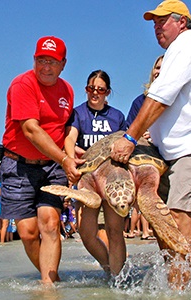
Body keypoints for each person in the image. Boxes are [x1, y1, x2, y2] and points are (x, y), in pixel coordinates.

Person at [109, 0, 191, 288]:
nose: (157, 27)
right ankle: (173, 278)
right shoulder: (179, 50)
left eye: (163, 21)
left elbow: (160, 98)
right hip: (174, 150)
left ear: (182, 22)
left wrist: (129, 138)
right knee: (161, 217)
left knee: (177, 215)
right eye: (154, 23)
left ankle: (180, 289)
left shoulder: (186, 48)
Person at [0, 36, 82, 284]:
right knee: (27, 233)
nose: (46, 67)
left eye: (52, 61)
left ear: (64, 64)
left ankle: (48, 287)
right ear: (34, 60)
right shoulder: (22, 84)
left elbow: (64, 128)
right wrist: (65, 159)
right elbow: (31, 130)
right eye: (41, 60)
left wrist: (71, 151)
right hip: (18, 165)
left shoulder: (67, 89)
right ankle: (51, 278)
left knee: (50, 223)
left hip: (52, 166)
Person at [64, 70, 126, 275]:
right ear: (86, 89)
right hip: (87, 179)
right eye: (91, 88)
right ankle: (108, 266)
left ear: (107, 92)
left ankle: (117, 279)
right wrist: (71, 154)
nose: (95, 93)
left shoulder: (117, 116)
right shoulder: (77, 113)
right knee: (86, 233)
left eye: (100, 89)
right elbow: (70, 138)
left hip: (112, 178)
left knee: (115, 231)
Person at [125, 55, 164, 240]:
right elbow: (127, 132)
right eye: (157, 68)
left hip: (168, 158)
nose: (159, 72)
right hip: (145, 159)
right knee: (146, 206)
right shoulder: (139, 102)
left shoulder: (178, 100)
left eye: (164, 68)